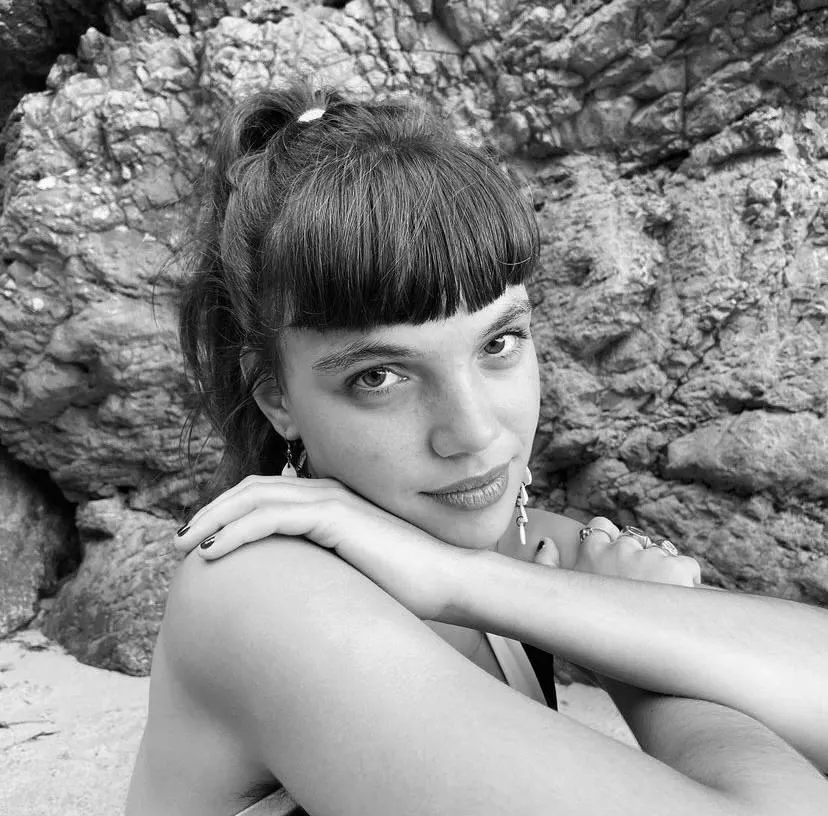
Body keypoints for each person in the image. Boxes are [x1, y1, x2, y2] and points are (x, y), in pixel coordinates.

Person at [125, 81, 828, 816]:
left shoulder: (507, 542)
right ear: (276, 397)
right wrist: (646, 654)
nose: (474, 432)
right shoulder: (256, 593)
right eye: (381, 376)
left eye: (500, 341)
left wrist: (470, 583)